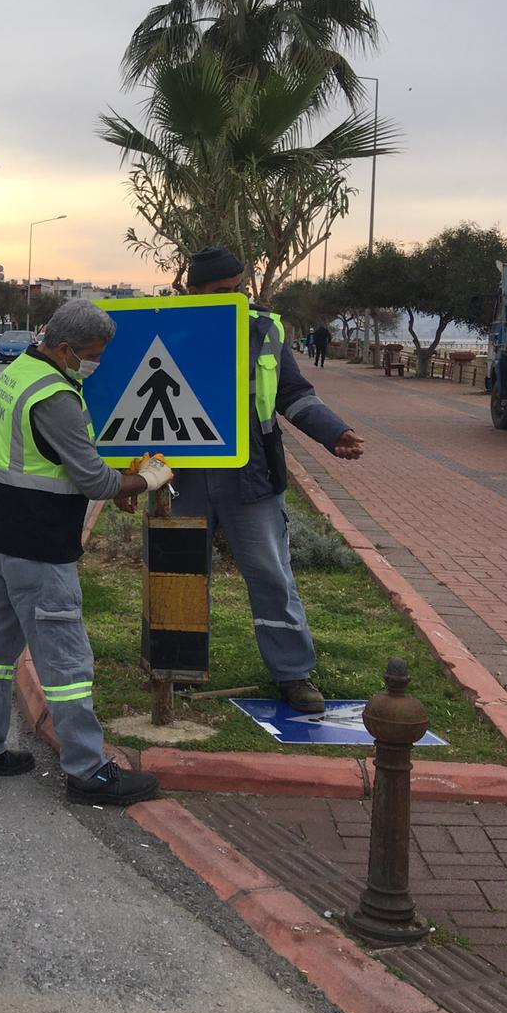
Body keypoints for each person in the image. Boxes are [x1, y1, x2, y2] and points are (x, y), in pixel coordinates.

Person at [0, 299, 171, 805]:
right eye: (92, 354)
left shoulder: (22, 371)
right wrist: (146, 479)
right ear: (65, 347)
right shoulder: (54, 398)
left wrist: (118, 481)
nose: (95, 362)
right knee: (66, 662)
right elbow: (93, 479)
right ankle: (88, 771)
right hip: (36, 544)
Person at [159, 247, 363, 713]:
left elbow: (292, 394)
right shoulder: (165, 327)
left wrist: (333, 432)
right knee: (179, 573)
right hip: (179, 477)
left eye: (238, 289)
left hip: (249, 477)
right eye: (220, 292)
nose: (234, 299)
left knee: (271, 574)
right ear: (191, 292)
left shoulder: (264, 328)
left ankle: (293, 674)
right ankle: (172, 670)